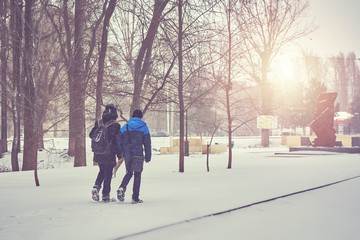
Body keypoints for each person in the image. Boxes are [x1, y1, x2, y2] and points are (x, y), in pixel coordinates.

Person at [90, 104, 123, 202]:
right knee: (108, 174)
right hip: (109, 153)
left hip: (98, 152)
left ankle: (96, 187)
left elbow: (91, 135)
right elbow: (117, 141)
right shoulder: (115, 125)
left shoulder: (99, 122)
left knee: (102, 171)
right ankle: (105, 195)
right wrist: (119, 155)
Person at [117, 109, 151, 204]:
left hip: (127, 154)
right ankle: (135, 198)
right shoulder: (144, 127)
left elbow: (119, 140)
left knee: (129, 172)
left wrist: (121, 153)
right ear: (140, 117)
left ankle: (122, 187)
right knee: (137, 174)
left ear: (132, 116)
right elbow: (147, 143)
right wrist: (148, 157)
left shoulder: (125, 126)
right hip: (138, 154)